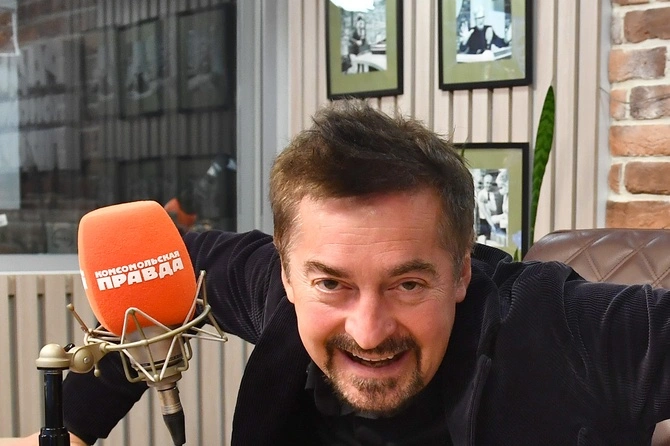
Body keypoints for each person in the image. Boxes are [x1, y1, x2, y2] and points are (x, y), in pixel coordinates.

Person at [12, 100, 670, 445]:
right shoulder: (275, 289)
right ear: (288, 273)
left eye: (409, 284)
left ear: (462, 272)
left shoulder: (557, 328)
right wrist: (75, 429)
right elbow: (155, 266)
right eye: (331, 283)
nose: (369, 330)